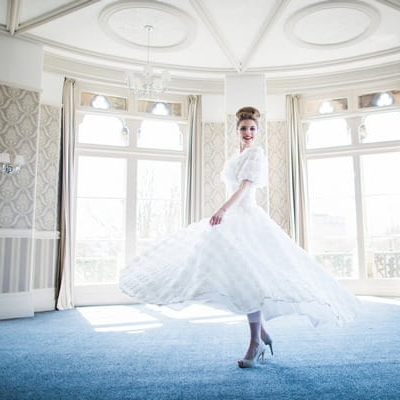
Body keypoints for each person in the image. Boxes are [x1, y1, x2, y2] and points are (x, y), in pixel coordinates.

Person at [119, 106, 359, 368]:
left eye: (253, 128)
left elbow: (245, 188)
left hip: (246, 219)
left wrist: (222, 209)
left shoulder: (256, 154)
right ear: (237, 131)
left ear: (258, 131)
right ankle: (262, 334)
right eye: (244, 128)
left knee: (249, 278)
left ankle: (256, 342)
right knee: (238, 277)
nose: (248, 132)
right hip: (234, 218)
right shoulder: (238, 154)